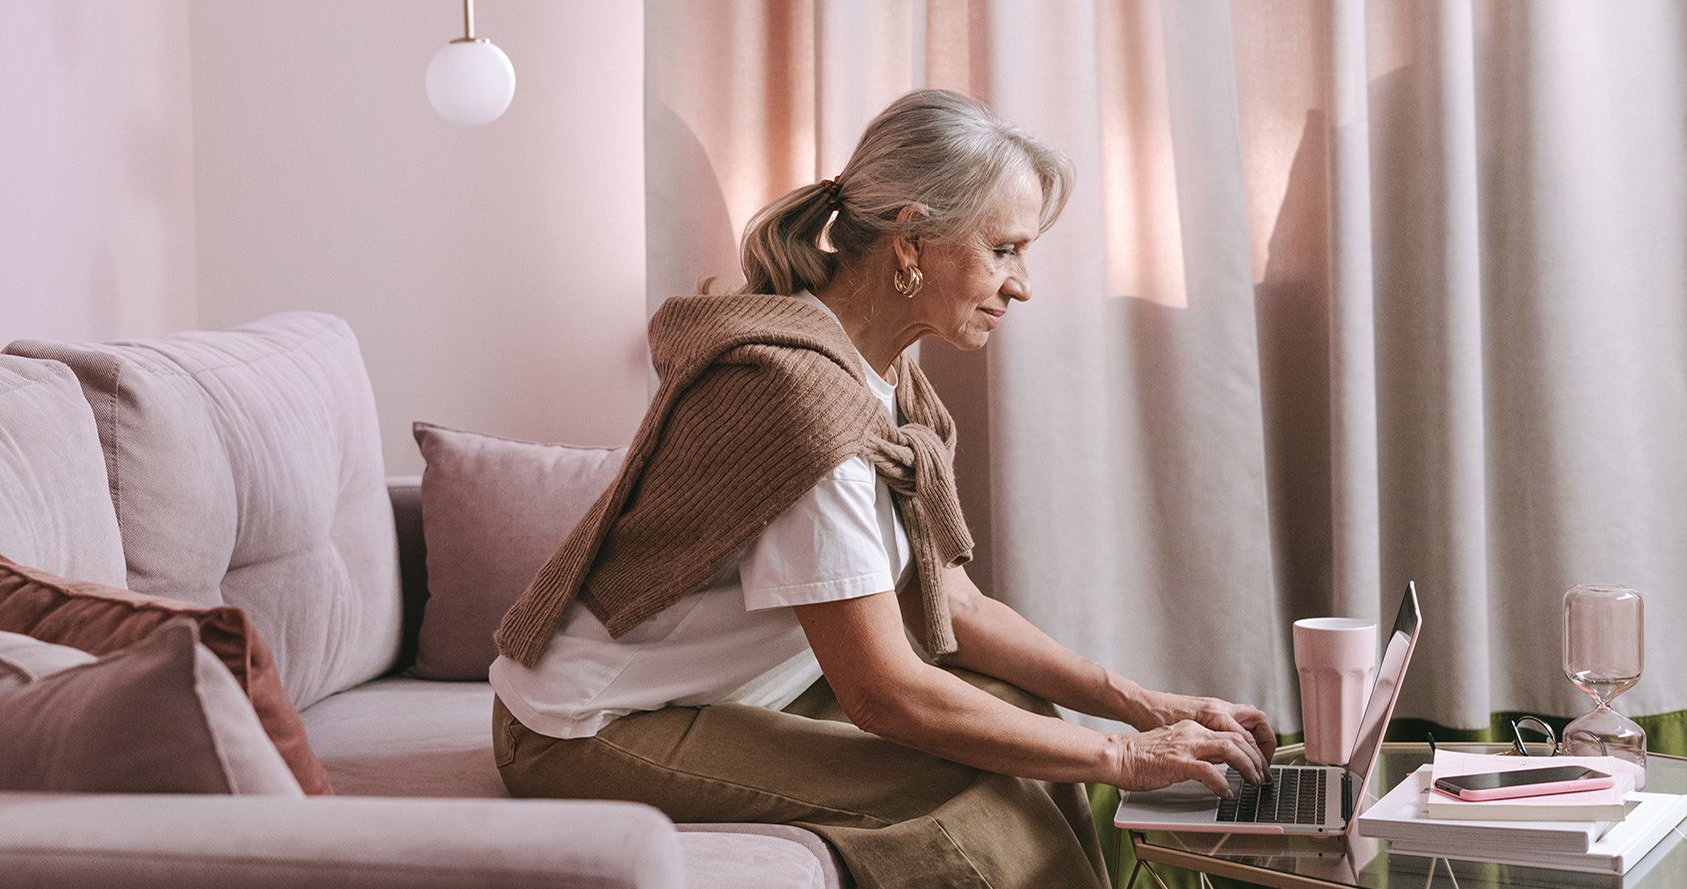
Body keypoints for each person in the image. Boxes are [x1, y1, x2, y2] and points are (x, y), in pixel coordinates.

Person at [487, 89, 1276, 889]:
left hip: (728, 694)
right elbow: (883, 691)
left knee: (1025, 715)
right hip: (585, 730)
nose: (1022, 284)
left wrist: (1147, 707)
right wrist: (1124, 755)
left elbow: (954, 606)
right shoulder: (800, 401)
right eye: (1003, 249)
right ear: (911, 239)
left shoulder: (883, 373)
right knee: (975, 788)